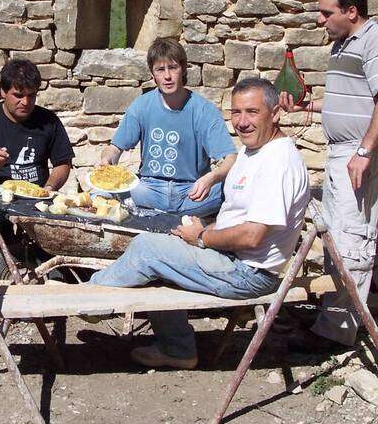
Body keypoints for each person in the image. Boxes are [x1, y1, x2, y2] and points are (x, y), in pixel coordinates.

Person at [90, 78, 310, 369]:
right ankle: (178, 349)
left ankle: (88, 300)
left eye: (252, 112)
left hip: (248, 273)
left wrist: (203, 236)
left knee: (147, 249)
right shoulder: (253, 149)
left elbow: (253, 236)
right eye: (237, 113)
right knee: (164, 241)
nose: (242, 122)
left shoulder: (278, 162)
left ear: (276, 113)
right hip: (233, 259)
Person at [278, 0, 378, 352]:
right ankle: (331, 321)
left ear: (352, 11)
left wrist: (364, 153)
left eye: (326, 12)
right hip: (340, 152)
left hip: (357, 153)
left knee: (353, 241)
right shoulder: (342, 45)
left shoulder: (377, 40)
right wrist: (306, 108)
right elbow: (348, 103)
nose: (320, 20)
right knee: (335, 235)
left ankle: (338, 334)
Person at [99, 38, 237, 215]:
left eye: (173, 68)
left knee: (235, 189)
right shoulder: (141, 105)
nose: (167, 76)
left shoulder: (204, 110)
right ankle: (167, 215)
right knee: (100, 192)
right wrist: (107, 160)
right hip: (148, 189)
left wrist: (212, 178)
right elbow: (115, 148)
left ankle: (156, 215)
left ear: (183, 69)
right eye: (160, 69)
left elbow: (230, 158)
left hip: (193, 192)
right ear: (153, 74)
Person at [0, 58, 74, 192]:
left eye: (31, 95)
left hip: (36, 197)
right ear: (3, 92)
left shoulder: (49, 120)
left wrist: (48, 188)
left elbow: (63, 162)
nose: (25, 102)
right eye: (18, 95)